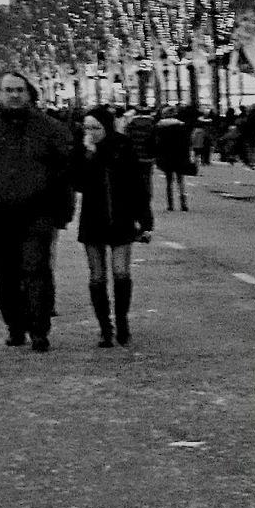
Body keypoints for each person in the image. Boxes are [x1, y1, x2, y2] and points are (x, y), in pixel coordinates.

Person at [0, 71, 73, 352]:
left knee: (36, 269)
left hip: (39, 212)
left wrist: (62, 211)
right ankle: (15, 325)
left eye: (19, 90)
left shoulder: (49, 128)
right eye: (9, 90)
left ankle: (39, 328)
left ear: (28, 92)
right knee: (6, 273)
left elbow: (65, 172)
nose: (14, 95)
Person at [73, 105, 153, 346]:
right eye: (87, 127)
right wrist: (88, 154)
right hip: (93, 219)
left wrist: (145, 220)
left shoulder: (122, 145)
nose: (91, 132)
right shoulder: (83, 149)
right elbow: (77, 182)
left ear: (106, 127)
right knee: (97, 276)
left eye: (95, 128)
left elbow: (138, 185)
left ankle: (122, 322)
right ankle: (104, 327)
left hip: (121, 218)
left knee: (121, 273)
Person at [153, 106, 192, 213]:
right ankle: (183, 203)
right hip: (179, 155)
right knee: (180, 180)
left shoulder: (159, 126)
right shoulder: (181, 125)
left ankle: (170, 204)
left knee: (169, 181)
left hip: (166, 156)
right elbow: (186, 143)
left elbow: (157, 142)